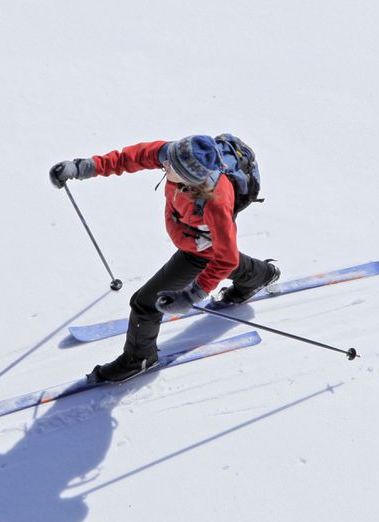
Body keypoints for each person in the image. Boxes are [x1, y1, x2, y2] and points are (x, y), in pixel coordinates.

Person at [49, 135, 279, 383]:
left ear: (191, 181)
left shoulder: (216, 203)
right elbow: (132, 157)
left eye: (170, 165)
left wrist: (191, 296)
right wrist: (83, 167)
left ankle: (139, 360)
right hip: (192, 239)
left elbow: (226, 259)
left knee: (145, 303)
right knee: (213, 257)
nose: (164, 163)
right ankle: (262, 275)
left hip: (198, 249)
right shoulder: (176, 155)